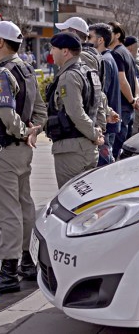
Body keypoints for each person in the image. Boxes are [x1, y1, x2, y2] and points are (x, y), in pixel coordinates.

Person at [0, 21, 45, 293]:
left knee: (8, 211)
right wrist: (33, 131)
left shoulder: (3, 72)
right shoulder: (27, 69)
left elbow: (5, 114)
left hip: (6, 148)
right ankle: (28, 262)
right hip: (23, 150)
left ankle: (8, 271)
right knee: (24, 204)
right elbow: (40, 108)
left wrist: (20, 131)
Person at [45, 32, 104, 188]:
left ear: (65, 51)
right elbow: (100, 104)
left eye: (53, 48)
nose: (51, 53)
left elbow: (75, 113)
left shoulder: (69, 76)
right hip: (87, 148)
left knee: (71, 202)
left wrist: (94, 134)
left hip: (72, 150)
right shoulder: (89, 72)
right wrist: (98, 130)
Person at [88, 23, 121, 165]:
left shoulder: (104, 60)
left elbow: (100, 94)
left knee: (103, 165)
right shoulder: (107, 58)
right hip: (108, 122)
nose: (87, 40)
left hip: (105, 124)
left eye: (90, 37)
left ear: (100, 40)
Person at [108, 21, 139, 159]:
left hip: (122, 108)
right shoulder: (127, 52)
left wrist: (132, 100)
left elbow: (123, 80)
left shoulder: (116, 54)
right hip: (129, 108)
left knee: (115, 151)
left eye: (109, 31)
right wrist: (135, 98)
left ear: (117, 35)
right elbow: (135, 80)